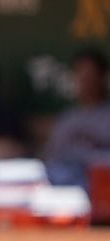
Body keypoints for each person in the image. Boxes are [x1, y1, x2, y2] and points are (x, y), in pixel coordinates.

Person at [44, 48, 110, 188]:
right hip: (68, 191)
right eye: (81, 75)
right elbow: (50, 162)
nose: (86, 82)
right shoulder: (67, 118)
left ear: (102, 77)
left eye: (91, 75)